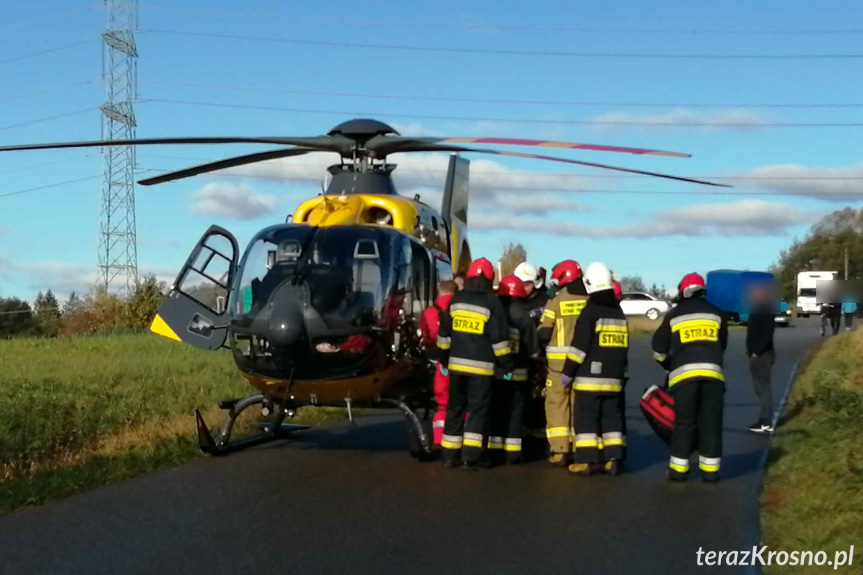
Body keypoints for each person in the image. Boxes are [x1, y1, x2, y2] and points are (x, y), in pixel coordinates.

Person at [437, 258, 514, 470]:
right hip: (482, 369)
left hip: (456, 367)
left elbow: (444, 334)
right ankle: (470, 457)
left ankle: (448, 456)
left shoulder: (457, 299)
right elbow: (499, 341)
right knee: (478, 412)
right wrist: (506, 365)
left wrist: (444, 358)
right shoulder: (492, 303)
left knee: (454, 409)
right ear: (490, 279)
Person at [652, 272, 728, 482]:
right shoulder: (718, 313)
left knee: (684, 423)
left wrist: (668, 365)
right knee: (711, 422)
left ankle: (678, 470)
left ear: (683, 291)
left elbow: (658, 348)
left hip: (684, 379)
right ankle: (711, 472)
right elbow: (722, 346)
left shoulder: (674, 315)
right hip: (713, 376)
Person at [561, 262, 629, 476]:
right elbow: (624, 347)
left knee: (586, 419)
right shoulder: (618, 313)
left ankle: (587, 461)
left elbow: (579, 346)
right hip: (615, 379)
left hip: (589, 379)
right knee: (612, 418)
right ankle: (613, 459)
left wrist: (568, 372)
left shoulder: (591, 311)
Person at [537, 259, 588, 466]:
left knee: (556, 404)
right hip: (583, 362)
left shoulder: (556, 301)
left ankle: (560, 450)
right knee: (579, 405)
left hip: (558, 365)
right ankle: (578, 447)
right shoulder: (589, 300)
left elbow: (544, 332)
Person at [489, 275, 540, 465]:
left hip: (495, 372)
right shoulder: (523, 315)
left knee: (496, 411)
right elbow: (532, 348)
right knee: (515, 413)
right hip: (518, 374)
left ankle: (495, 451)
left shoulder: (493, 310)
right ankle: (513, 454)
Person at [419, 280, 458, 448]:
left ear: (438, 291)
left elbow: (425, 337)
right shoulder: (461, 310)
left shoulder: (429, 312)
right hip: (461, 356)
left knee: (442, 403)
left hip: (437, 358)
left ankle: (438, 440)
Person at [746, 285, 776, 434]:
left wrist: (757, 352)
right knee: (759, 389)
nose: (751, 297)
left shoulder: (765, 313)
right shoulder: (758, 311)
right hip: (757, 355)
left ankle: (766, 422)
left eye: (754, 295)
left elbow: (766, 335)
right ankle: (763, 419)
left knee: (763, 388)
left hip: (762, 356)